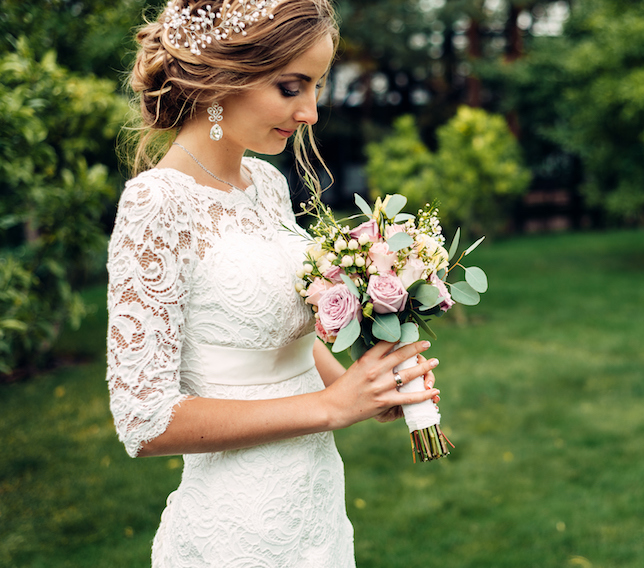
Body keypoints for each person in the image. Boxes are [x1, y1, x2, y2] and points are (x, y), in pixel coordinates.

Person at [105, 1, 440, 565]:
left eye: (316, 86)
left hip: (315, 505)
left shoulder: (265, 182)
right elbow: (145, 421)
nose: (310, 111)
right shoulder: (156, 205)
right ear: (220, 78)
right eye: (291, 87)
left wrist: (363, 389)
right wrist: (333, 406)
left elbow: (283, 338)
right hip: (236, 527)